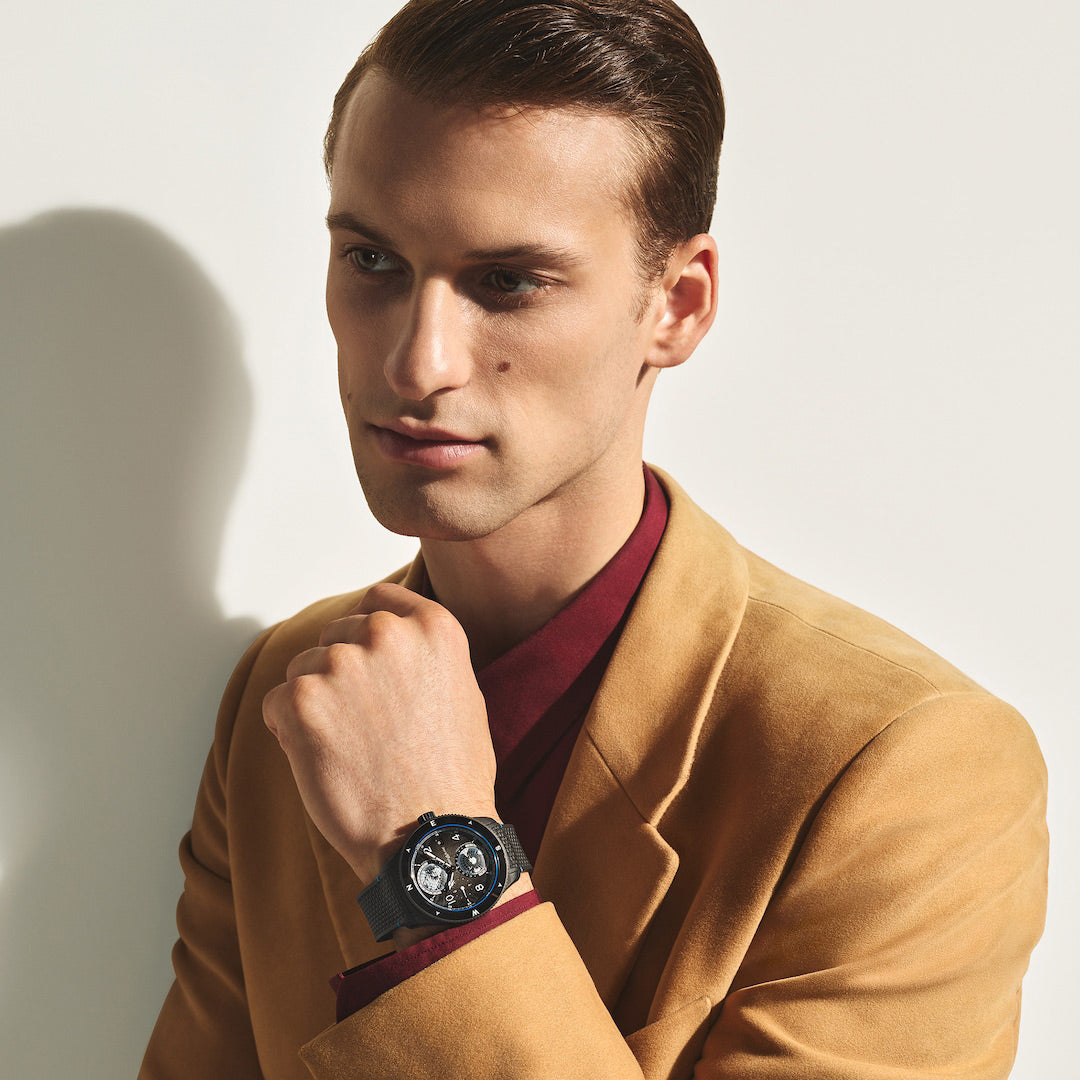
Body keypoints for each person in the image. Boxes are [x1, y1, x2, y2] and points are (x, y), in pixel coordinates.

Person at [140, 1, 1048, 1077]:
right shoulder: (284, 694)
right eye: (374, 262)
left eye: (508, 282)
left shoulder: (905, 767)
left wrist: (430, 853)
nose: (417, 363)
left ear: (679, 305)